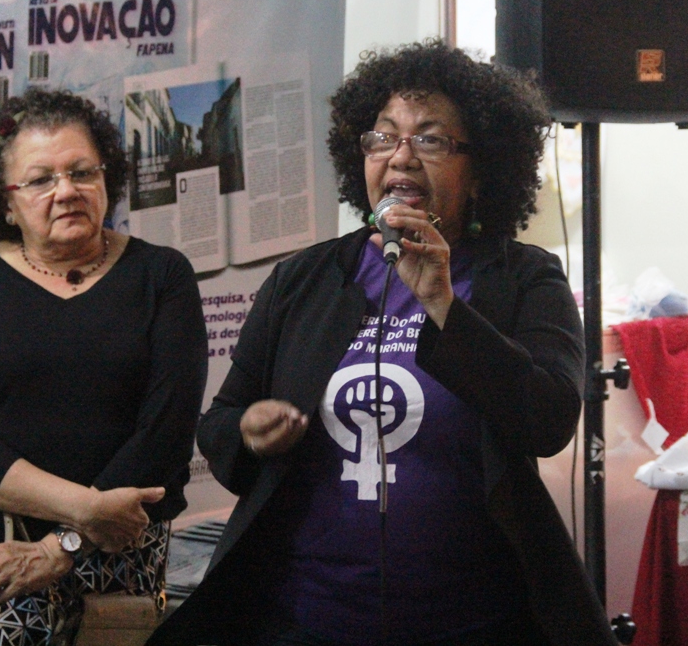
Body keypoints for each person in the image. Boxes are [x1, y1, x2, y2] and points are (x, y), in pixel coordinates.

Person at [149, 39, 615, 646]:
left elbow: (548, 421)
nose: (401, 157)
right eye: (382, 138)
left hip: (473, 623)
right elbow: (220, 424)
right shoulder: (304, 278)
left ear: (482, 170)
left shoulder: (523, 278)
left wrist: (443, 304)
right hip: (305, 619)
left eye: (431, 139)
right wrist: (249, 431)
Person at [0, 88, 208, 645]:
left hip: (118, 573)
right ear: (5, 202)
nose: (66, 190)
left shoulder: (162, 275)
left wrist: (63, 545)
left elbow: (165, 434)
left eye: (82, 172)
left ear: (107, 178)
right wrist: (89, 510)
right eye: (40, 180)